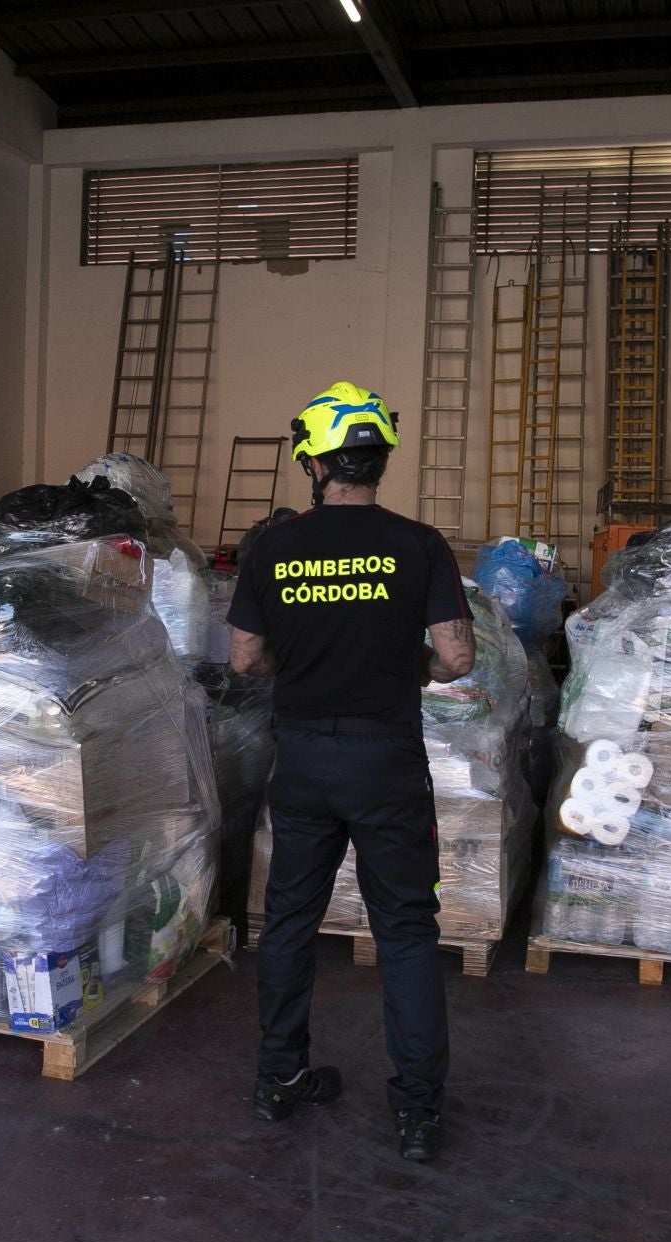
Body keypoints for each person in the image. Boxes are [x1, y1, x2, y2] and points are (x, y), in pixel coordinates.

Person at [226, 380, 475, 1163]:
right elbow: (458, 654)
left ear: (315, 461)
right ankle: (417, 1113)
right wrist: (422, 671)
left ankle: (279, 1079)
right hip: (386, 761)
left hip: (302, 758)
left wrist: (300, 664)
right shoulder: (419, 543)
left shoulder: (271, 545)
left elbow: (245, 657)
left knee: (291, 920)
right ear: (378, 459)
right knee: (405, 930)